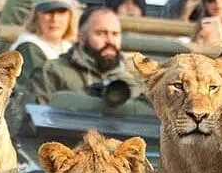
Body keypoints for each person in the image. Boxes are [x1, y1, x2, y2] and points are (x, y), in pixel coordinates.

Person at [11, 7, 152, 121]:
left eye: (115, 34)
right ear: (82, 38)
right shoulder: (52, 72)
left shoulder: (135, 80)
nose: (110, 41)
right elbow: (29, 123)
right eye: (101, 33)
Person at [10, 0, 79, 96]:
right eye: (48, 12)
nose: (55, 19)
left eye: (61, 12)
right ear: (35, 16)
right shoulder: (28, 48)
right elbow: (37, 92)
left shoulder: (69, 47)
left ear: (70, 17)